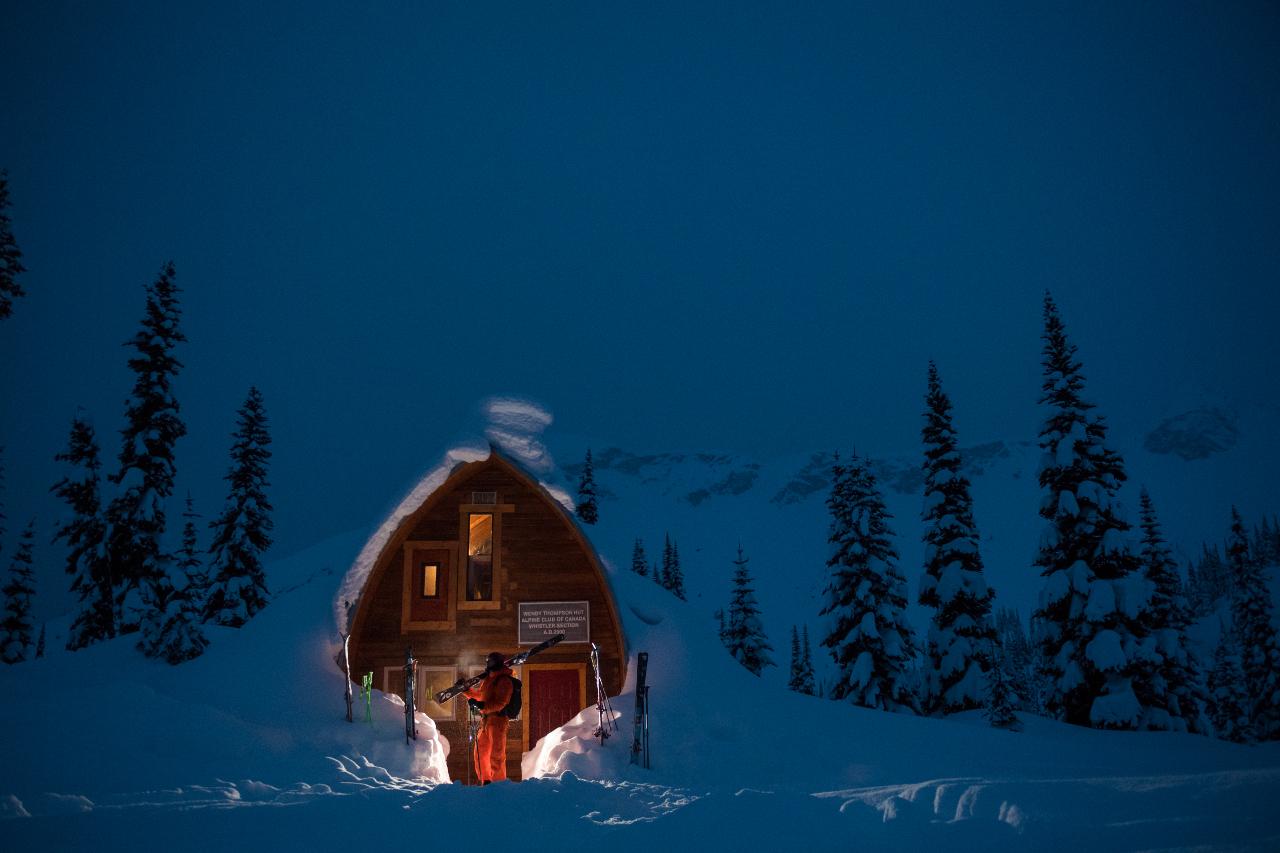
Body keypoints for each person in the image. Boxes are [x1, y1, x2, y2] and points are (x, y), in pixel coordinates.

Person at [464, 651, 514, 784]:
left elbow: (500, 703)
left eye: (491, 662)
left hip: (498, 721)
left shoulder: (504, 680)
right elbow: (481, 696)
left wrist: (481, 705)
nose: (489, 664)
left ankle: (498, 785)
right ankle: (485, 782)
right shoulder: (488, 680)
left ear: (497, 663)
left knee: (496, 755)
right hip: (485, 721)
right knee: (480, 752)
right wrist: (467, 692)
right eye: (488, 661)